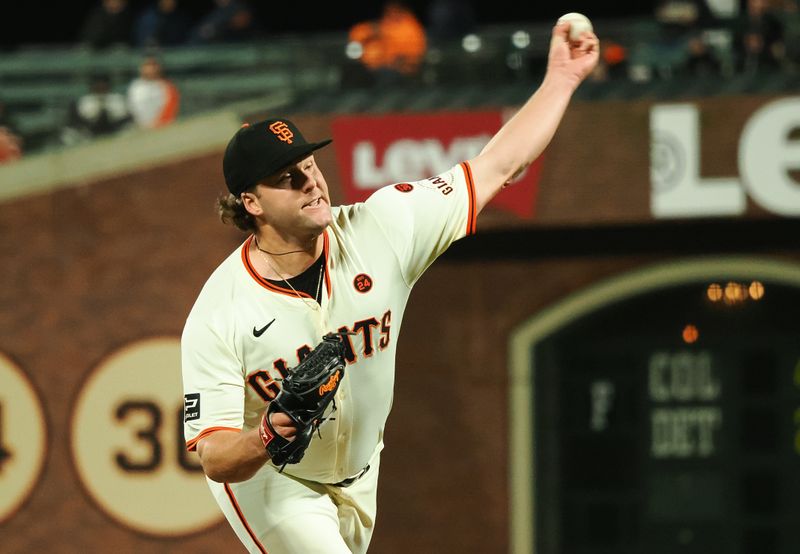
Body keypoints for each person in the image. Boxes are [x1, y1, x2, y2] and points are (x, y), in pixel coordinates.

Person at [181, 21, 598, 554]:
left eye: (310, 165)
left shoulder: (382, 227)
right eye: (288, 177)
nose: (311, 181)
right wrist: (269, 430)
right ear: (251, 204)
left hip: (361, 469)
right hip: (276, 480)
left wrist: (561, 79)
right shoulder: (221, 310)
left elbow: (498, 165)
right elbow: (215, 457)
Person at [61, 73, 131, 146]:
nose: (100, 87)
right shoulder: (85, 101)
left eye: (103, 85)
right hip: (89, 133)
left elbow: (125, 118)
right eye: (98, 85)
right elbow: (79, 120)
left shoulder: (117, 99)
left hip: (115, 131)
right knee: (68, 134)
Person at [127, 56, 180, 129]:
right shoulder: (135, 86)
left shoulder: (167, 86)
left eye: (153, 65)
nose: (150, 69)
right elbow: (132, 108)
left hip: (161, 127)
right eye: (147, 65)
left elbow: (171, 110)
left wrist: (157, 123)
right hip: (140, 128)